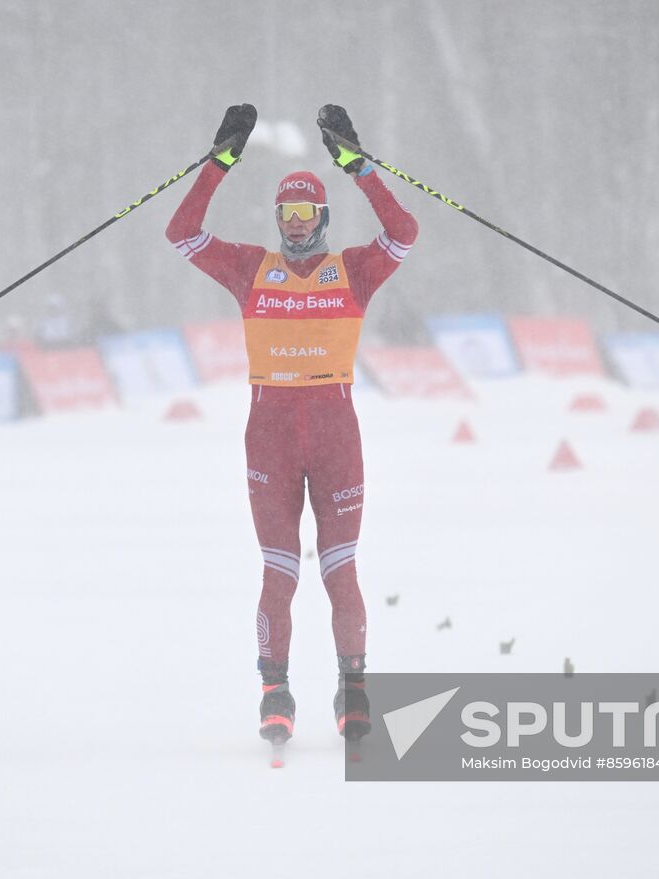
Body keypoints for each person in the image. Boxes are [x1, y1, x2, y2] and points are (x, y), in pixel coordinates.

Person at [166, 104, 418, 753]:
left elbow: (405, 230)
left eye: (307, 214)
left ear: (323, 219)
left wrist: (359, 167)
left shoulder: (354, 272)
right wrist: (220, 161)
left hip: (336, 435)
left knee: (340, 570)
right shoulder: (252, 268)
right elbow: (182, 230)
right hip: (271, 437)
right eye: (288, 215)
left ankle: (352, 690)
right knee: (279, 571)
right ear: (277, 220)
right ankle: (275, 693)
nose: (297, 225)